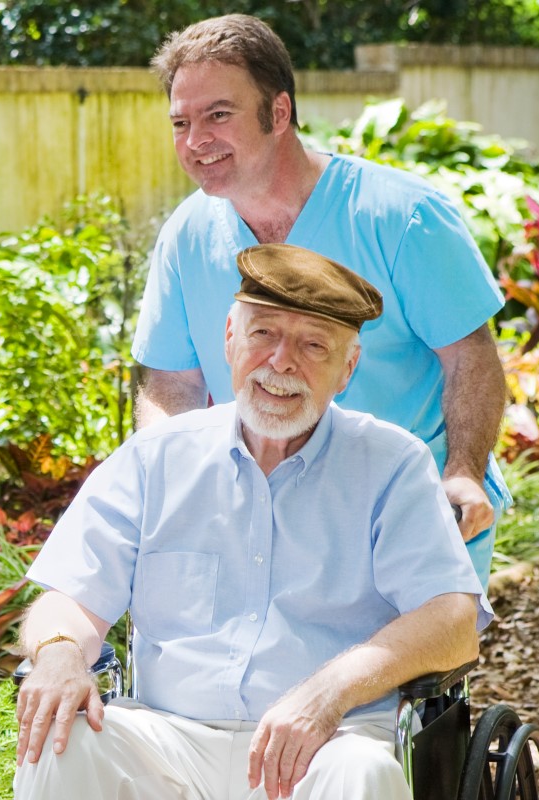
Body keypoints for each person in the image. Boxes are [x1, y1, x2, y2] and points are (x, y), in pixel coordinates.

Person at [14, 244, 491, 800]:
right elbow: (68, 596)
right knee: (64, 742)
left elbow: (453, 622)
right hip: (168, 740)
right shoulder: (155, 458)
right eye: (263, 334)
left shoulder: (391, 464)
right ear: (229, 340)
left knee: (362, 774)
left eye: (313, 344)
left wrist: (329, 691)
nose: (281, 362)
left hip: (324, 743)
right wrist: (60, 653)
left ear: (348, 368)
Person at [129, 14, 509, 582]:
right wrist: (174, 479)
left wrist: (463, 473)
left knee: (397, 673)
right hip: (266, 526)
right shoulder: (185, 236)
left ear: (278, 112)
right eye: (181, 122)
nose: (196, 141)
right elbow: (171, 384)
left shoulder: (401, 216)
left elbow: (470, 357)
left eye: (219, 115)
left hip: (411, 514)